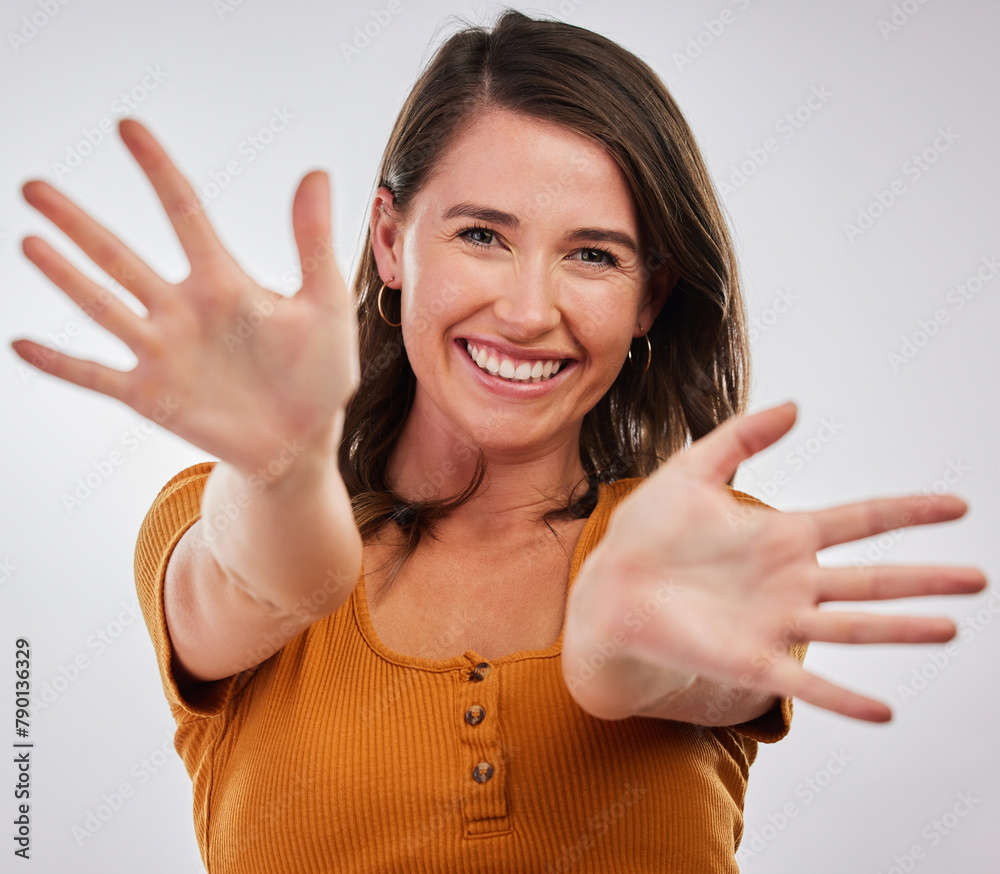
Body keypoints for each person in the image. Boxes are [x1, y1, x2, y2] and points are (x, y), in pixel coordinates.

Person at [12, 9, 984, 873]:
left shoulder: (703, 541)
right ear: (392, 241)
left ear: (649, 297)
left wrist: (619, 626)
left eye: (593, 255)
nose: (526, 311)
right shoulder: (213, 516)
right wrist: (277, 462)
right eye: (482, 234)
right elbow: (274, 574)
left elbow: (646, 661)